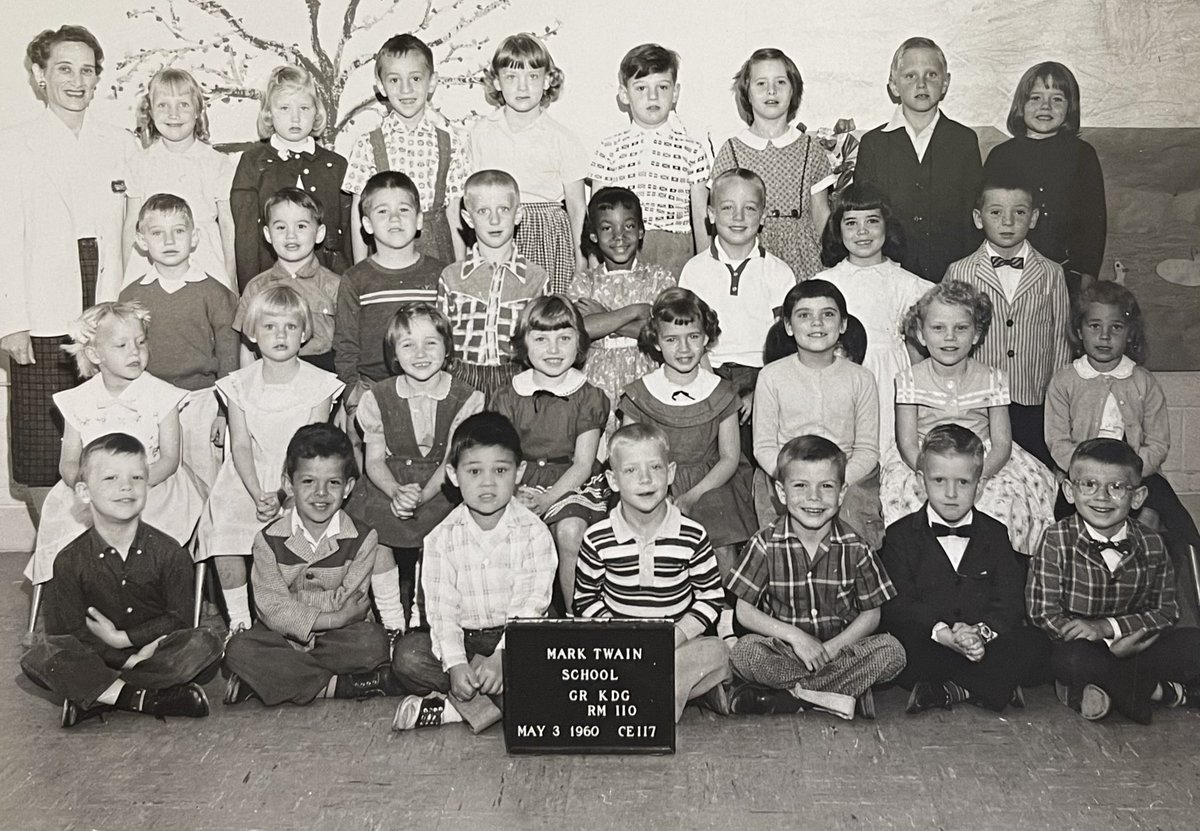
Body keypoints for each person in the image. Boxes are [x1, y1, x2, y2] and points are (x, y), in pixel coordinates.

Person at [0, 25, 137, 500]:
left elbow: (130, 231)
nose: (77, 81)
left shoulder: (120, 142)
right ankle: (50, 568)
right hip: (40, 310)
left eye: (87, 70)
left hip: (104, 302)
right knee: (41, 449)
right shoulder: (14, 143)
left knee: (105, 445)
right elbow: (5, 236)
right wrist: (13, 321)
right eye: (64, 69)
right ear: (40, 75)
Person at [20, 433, 222, 728]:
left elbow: (180, 620)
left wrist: (125, 639)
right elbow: (70, 631)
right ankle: (145, 697)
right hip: (99, 658)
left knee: (205, 642)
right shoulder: (68, 560)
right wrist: (125, 659)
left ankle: (99, 694)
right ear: (84, 491)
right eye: (110, 478)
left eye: (137, 477)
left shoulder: (170, 553)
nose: (126, 486)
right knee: (42, 655)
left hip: (157, 653)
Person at [391, 412, 557, 732]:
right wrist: (455, 663)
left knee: (550, 669)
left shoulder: (534, 533)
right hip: (464, 640)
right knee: (408, 657)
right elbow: (441, 612)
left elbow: (530, 604)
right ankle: (483, 698)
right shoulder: (440, 539)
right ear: (453, 475)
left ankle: (453, 709)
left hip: (516, 638)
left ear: (519, 472)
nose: (487, 483)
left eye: (500, 470)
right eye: (474, 471)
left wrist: (502, 657)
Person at [223, 424, 408, 706]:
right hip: (282, 637)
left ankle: (271, 682)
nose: (320, 493)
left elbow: (350, 601)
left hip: (339, 639)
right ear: (288, 484)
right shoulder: (268, 540)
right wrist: (333, 617)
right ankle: (341, 686)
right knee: (239, 649)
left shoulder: (362, 538)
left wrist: (301, 610)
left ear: (347, 487)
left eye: (333, 483)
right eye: (308, 482)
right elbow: (272, 609)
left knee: (372, 644)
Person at [24, 302, 205, 587]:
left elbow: (170, 460)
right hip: (93, 492)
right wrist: (90, 489)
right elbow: (69, 461)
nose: (135, 352)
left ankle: (139, 598)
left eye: (141, 342)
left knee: (143, 527)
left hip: (151, 488)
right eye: (121, 345)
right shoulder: (78, 400)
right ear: (96, 354)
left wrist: (134, 485)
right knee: (70, 522)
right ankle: (91, 595)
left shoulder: (161, 395)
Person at [197, 285, 344, 632]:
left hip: (298, 481)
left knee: (301, 527)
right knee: (225, 530)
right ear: (252, 332)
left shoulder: (319, 384)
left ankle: (289, 616)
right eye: (269, 327)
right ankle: (239, 622)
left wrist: (282, 494)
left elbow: (311, 451)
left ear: (304, 333)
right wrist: (256, 492)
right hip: (247, 478)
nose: (280, 335)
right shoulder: (238, 384)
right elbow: (241, 446)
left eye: (290, 327)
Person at [726, 435, 906, 720]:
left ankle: (793, 697)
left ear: (842, 492)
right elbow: (744, 612)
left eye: (826, 486)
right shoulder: (764, 543)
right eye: (800, 486)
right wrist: (796, 638)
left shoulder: (856, 546)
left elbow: (872, 614)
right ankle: (837, 694)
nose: (814, 498)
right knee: (745, 653)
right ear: (781, 492)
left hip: (842, 651)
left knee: (892, 651)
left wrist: (833, 649)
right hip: (787, 653)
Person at [1044, 282, 1200, 601]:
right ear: (1079, 330)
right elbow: (1057, 441)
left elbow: (1158, 442)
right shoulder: (1065, 380)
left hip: (1137, 475)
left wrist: (1131, 475)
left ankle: (1184, 594)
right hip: (1081, 479)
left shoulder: (1142, 381)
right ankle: (1075, 594)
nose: (1104, 336)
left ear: (1129, 333)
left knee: (1179, 523)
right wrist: (1088, 476)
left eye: (1116, 327)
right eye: (1095, 326)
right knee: (1062, 522)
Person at [1028, 438, 1200, 723]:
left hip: (1135, 644)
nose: (1102, 497)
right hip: (1082, 648)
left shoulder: (1151, 542)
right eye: (1089, 484)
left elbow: (1167, 611)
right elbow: (1043, 613)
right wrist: (1102, 644)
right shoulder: (1056, 539)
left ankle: (1098, 689)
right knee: (1069, 660)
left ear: (1138, 497)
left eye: (1117, 487)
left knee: (1193, 644)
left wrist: (1111, 630)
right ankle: (1159, 692)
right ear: (1070, 492)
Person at [880, 424, 1049, 714]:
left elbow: (1008, 600)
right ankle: (991, 686)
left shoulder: (995, 532)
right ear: (921, 482)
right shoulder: (900, 535)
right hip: (931, 641)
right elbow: (900, 603)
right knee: (896, 649)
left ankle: (949, 690)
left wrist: (979, 634)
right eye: (939, 480)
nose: (950, 493)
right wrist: (945, 634)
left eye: (963, 482)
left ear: (980, 485)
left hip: (982, 643)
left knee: (1035, 643)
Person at [881, 281, 1057, 554]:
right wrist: (930, 473)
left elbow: (1001, 443)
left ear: (976, 334)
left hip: (982, 459)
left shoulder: (993, 379)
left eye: (961, 328)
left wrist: (978, 475)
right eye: (938, 328)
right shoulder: (909, 380)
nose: (949, 337)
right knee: (906, 504)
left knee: (1002, 505)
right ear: (922, 334)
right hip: (924, 459)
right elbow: (907, 443)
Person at [574, 423, 732, 721]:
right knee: (580, 660)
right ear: (613, 479)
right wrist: (622, 638)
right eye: (631, 470)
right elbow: (585, 601)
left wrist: (676, 635)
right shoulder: (597, 537)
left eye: (655, 468)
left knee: (716, 652)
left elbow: (710, 599)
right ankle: (679, 693)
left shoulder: (691, 534)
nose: (645, 479)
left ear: (670, 473)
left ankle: (651, 701)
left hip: (677, 645)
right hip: (620, 647)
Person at [352, 304, 484, 626]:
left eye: (431, 343)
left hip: (442, 484)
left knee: (437, 536)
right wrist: (397, 492)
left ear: (447, 348)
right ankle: (392, 619)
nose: (420, 353)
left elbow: (454, 461)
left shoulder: (467, 398)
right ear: (394, 355)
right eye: (408, 344)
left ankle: (421, 615)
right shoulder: (377, 397)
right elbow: (373, 461)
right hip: (390, 481)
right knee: (374, 535)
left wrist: (421, 497)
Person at [615, 288, 755, 589]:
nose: (683, 348)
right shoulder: (641, 392)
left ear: (706, 338)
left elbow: (730, 458)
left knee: (720, 534)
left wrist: (692, 496)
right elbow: (626, 454)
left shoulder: (721, 391)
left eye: (693, 336)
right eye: (671, 339)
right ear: (656, 341)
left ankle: (726, 618)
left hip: (711, 481)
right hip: (652, 479)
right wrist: (658, 491)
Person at [945, 177, 1071, 467]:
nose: (1008, 221)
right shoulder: (960, 270)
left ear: (1034, 217)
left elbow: (1061, 339)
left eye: (1020, 212)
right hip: (977, 398)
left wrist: (1057, 398)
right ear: (978, 218)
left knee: (1034, 473)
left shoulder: (1051, 273)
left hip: (1034, 399)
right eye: (996, 212)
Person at [118, 193, 239, 492]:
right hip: (151, 403)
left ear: (194, 237)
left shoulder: (215, 292)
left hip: (202, 402)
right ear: (142, 241)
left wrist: (225, 413)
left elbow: (228, 355)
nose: (169, 240)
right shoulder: (132, 296)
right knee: (157, 485)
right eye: (158, 233)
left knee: (204, 483)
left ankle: (203, 540)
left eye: (179, 231)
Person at [491, 296, 609, 602]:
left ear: (580, 343)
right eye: (541, 339)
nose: (553, 350)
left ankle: (575, 618)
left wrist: (547, 499)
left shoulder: (588, 396)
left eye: (564, 338)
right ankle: (518, 621)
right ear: (524, 345)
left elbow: (583, 464)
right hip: (520, 480)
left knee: (571, 530)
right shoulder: (508, 395)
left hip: (571, 484)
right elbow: (500, 457)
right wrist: (515, 492)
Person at [754, 280, 883, 549]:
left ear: (843, 324)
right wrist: (794, 481)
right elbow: (764, 446)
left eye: (827, 314)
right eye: (804, 316)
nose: (817, 323)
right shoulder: (771, 376)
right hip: (785, 473)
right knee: (780, 540)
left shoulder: (861, 378)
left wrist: (833, 482)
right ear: (788, 326)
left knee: (851, 533)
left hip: (847, 474)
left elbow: (868, 449)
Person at [679, 168, 795, 444]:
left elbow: (786, 342)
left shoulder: (779, 272)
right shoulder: (694, 270)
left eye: (750, 208)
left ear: (763, 216)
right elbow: (688, 334)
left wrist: (762, 392)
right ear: (711, 214)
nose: (738, 217)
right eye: (728, 207)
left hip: (762, 376)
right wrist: (711, 384)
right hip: (708, 371)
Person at [816, 183, 934, 452]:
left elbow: (920, 351)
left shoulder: (910, 285)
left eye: (872, 221)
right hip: (839, 375)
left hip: (891, 376)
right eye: (851, 223)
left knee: (889, 446)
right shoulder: (825, 283)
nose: (862, 232)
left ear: (886, 225)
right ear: (838, 229)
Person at [854, 37, 983, 282]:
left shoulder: (964, 140)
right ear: (893, 85)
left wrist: (965, 270)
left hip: (950, 270)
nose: (921, 83)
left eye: (932, 75)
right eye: (910, 76)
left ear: (945, 83)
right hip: (890, 270)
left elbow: (972, 213)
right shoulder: (874, 143)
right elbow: (866, 212)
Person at [470, 33, 587, 292]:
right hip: (497, 226)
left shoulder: (562, 138)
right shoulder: (481, 133)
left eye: (532, 77)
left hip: (548, 235)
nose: (522, 88)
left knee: (544, 315)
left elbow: (577, 207)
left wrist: (582, 262)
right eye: (511, 77)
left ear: (547, 81)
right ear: (497, 82)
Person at [342, 34, 468, 264]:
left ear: (432, 82)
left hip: (437, 253)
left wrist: (460, 269)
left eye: (416, 78)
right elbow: (358, 215)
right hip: (385, 255)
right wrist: (359, 272)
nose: (406, 89)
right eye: (394, 80)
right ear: (381, 86)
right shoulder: (368, 144)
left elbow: (454, 212)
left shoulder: (451, 144)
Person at [984, 62, 1106, 298]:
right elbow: (988, 213)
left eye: (1057, 99)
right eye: (1035, 98)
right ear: (1021, 105)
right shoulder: (1001, 156)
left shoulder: (1083, 155)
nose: (1045, 107)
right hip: (1012, 269)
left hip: (1066, 273)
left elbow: (1094, 221)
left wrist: (1088, 272)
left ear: (1070, 108)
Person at [711, 48, 832, 280]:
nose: (771, 90)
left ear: (793, 90)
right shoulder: (733, 150)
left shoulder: (810, 149)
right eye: (761, 84)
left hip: (803, 257)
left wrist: (831, 266)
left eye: (781, 82)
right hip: (749, 255)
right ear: (747, 93)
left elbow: (821, 215)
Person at [589, 44, 710, 274]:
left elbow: (700, 219)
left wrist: (705, 269)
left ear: (675, 93)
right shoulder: (609, 149)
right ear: (625, 94)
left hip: (675, 253)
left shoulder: (692, 150)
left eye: (662, 87)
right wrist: (596, 270)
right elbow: (596, 216)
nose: (652, 96)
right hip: (622, 250)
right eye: (641, 88)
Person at [231, 64, 352, 289]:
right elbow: (246, 238)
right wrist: (250, 290)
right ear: (269, 113)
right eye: (284, 108)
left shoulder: (335, 165)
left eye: (304, 108)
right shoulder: (253, 163)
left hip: (327, 284)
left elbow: (346, 236)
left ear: (317, 113)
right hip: (271, 282)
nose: (295, 118)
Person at [334, 171, 445, 407]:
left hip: (430, 386)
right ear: (367, 224)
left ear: (419, 220)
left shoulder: (440, 275)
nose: (394, 218)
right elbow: (345, 344)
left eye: (404, 210)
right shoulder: (355, 279)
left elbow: (449, 339)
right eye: (382, 211)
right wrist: (352, 393)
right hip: (372, 390)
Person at [437, 169, 549, 400]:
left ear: (518, 214)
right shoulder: (451, 276)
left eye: (503, 209)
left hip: (517, 379)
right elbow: (440, 341)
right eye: (483, 211)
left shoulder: (537, 278)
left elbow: (543, 340)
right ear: (468, 219)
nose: (494, 220)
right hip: (462, 379)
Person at [121, 67, 236, 292]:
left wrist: (230, 280)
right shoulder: (139, 163)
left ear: (197, 111)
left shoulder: (217, 163)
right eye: (163, 105)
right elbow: (130, 226)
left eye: (183, 104)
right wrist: (128, 281)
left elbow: (227, 225)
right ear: (151, 113)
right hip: (151, 267)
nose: (174, 114)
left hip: (205, 264)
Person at [566, 187, 676, 407]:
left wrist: (605, 317)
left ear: (641, 231)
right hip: (596, 383)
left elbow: (662, 335)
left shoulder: (658, 278)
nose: (619, 236)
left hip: (646, 380)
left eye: (629, 226)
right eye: (608, 228)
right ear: (594, 235)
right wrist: (634, 312)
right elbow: (582, 329)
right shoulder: (585, 282)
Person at [233, 188, 341, 373]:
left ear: (319, 233)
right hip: (269, 373)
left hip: (323, 375)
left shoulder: (336, 286)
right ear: (268, 234)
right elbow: (247, 348)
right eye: (281, 227)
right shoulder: (256, 287)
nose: (291, 235)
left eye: (301, 226)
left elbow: (347, 348)